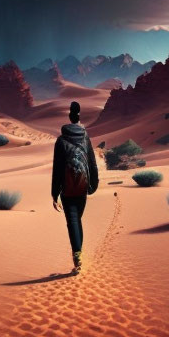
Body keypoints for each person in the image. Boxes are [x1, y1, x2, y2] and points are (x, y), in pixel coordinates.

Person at [51, 100, 99, 273]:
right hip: (82, 186)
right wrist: (93, 185)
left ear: (69, 117)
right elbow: (92, 163)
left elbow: (57, 169)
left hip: (67, 188)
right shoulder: (85, 137)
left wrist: (54, 194)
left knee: (72, 221)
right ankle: (79, 254)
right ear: (79, 116)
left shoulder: (61, 140)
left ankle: (77, 256)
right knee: (77, 220)